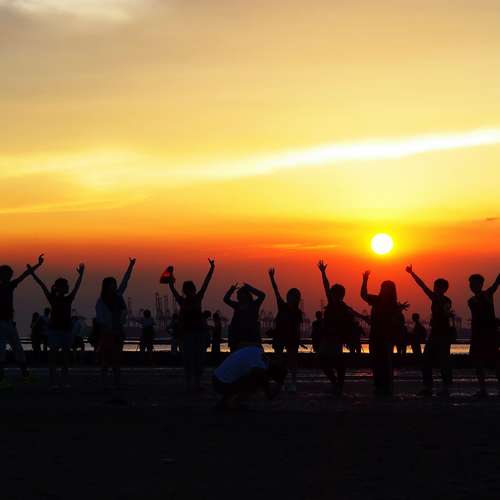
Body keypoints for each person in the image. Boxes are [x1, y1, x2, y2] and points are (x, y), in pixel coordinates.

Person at [29, 263, 85, 388]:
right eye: (66, 285)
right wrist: (33, 274)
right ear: (59, 287)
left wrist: (81, 275)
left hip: (65, 332)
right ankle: (54, 382)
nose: (68, 287)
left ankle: (62, 382)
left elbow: (76, 286)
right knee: (54, 359)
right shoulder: (54, 298)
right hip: (56, 332)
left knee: (63, 360)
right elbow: (42, 285)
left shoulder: (67, 298)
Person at [164, 259, 215, 391]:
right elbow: (173, 289)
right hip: (188, 334)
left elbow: (206, 282)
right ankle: (189, 383)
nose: (190, 291)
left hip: (198, 334)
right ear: (186, 291)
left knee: (198, 359)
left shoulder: (197, 298)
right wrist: (170, 278)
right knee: (188, 359)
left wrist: (211, 268)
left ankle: (196, 383)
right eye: (188, 289)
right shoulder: (183, 301)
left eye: (190, 289)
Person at [318, 261, 368, 396]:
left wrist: (364, 318)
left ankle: (338, 385)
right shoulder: (331, 303)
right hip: (327, 337)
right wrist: (323, 273)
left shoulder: (343, 306)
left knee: (338, 362)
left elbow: (354, 313)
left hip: (336, 338)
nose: (332, 295)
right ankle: (336, 383)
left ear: (340, 295)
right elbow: (326, 286)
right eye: (332, 293)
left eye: (335, 294)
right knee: (322, 360)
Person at [406, 265, 453, 396]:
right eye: (435, 287)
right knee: (426, 360)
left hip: (443, 334)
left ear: (444, 289)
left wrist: (446, 314)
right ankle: (428, 387)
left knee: (444, 361)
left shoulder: (446, 300)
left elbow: (447, 311)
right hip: (434, 334)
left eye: (437, 287)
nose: (435, 289)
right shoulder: (434, 297)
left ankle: (445, 388)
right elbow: (422, 285)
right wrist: (412, 273)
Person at [361, 270, 408, 396]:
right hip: (375, 335)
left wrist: (398, 311)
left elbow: (397, 322)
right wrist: (365, 280)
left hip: (387, 337)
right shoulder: (376, 300)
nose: (385, 290)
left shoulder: (394, 305)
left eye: (388, 288)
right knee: (376, 361)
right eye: (384, 287)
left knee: (387, 362)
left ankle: (388, 387)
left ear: (392, 290)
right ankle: (378, 386)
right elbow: (363, 295)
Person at [0, 254, 44, 388]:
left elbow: (25, 275)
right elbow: (24, 275)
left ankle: (25, 375)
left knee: (18, 349)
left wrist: (38, 265)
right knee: (1, 352)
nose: (8, 276)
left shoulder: (11, 285)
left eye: (9, 274)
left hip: (9, 323)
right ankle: (2, 380)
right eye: (6, 274)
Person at [96, 258, 136, 391]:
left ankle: (116, 382)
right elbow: (100, 318)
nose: (114, 286)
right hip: (108, 333)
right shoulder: (101, 301)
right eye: (111, 284)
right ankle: (104, 383)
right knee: (106, 360)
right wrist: (106, 329)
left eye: (114, 283)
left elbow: (125, 281)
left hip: (118, 332)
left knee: (117, 360)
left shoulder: (118, 296)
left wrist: (131, 266)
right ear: (106, 286)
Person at [212, 345, 286, 411]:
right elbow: (269, 395)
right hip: (221, 383)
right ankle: (233, 403)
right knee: (253, 383)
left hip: (216, 376)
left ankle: (226, 401)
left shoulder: (258, 350)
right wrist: (280, 384)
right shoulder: (260, 368)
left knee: (243, 376)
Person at [268, 267, 302, 392]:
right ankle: (280, 382)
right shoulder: (282, 306)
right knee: (278, 360)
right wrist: (272, 278)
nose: (290, 298)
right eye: (289, 296)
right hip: (280, 337)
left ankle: (293, 382)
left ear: (297, 299)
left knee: (292, 361)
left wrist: (298, 340)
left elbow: (297, 327)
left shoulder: (297, 312)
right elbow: (276, 291)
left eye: (293, 296)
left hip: (292, 338)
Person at [468, 273, 500, 397]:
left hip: (489, 335)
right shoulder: (470, 301)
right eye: (471, 284)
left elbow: (496, 283)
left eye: (475, 283)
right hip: (477, 335)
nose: (472, 286)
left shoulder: (487, 294)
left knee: (495, 363)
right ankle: (482, 389)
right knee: (478, 363)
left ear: (481, 284)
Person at [224, 282, 266, 351]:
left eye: (239, 294)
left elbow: (262, 295)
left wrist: (250, 288)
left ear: (245, 295)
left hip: (251, 339)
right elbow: (226, 299)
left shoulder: (253, 305)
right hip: (237, 339)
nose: (237, 296)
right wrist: (231, 290)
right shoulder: (237, 305)